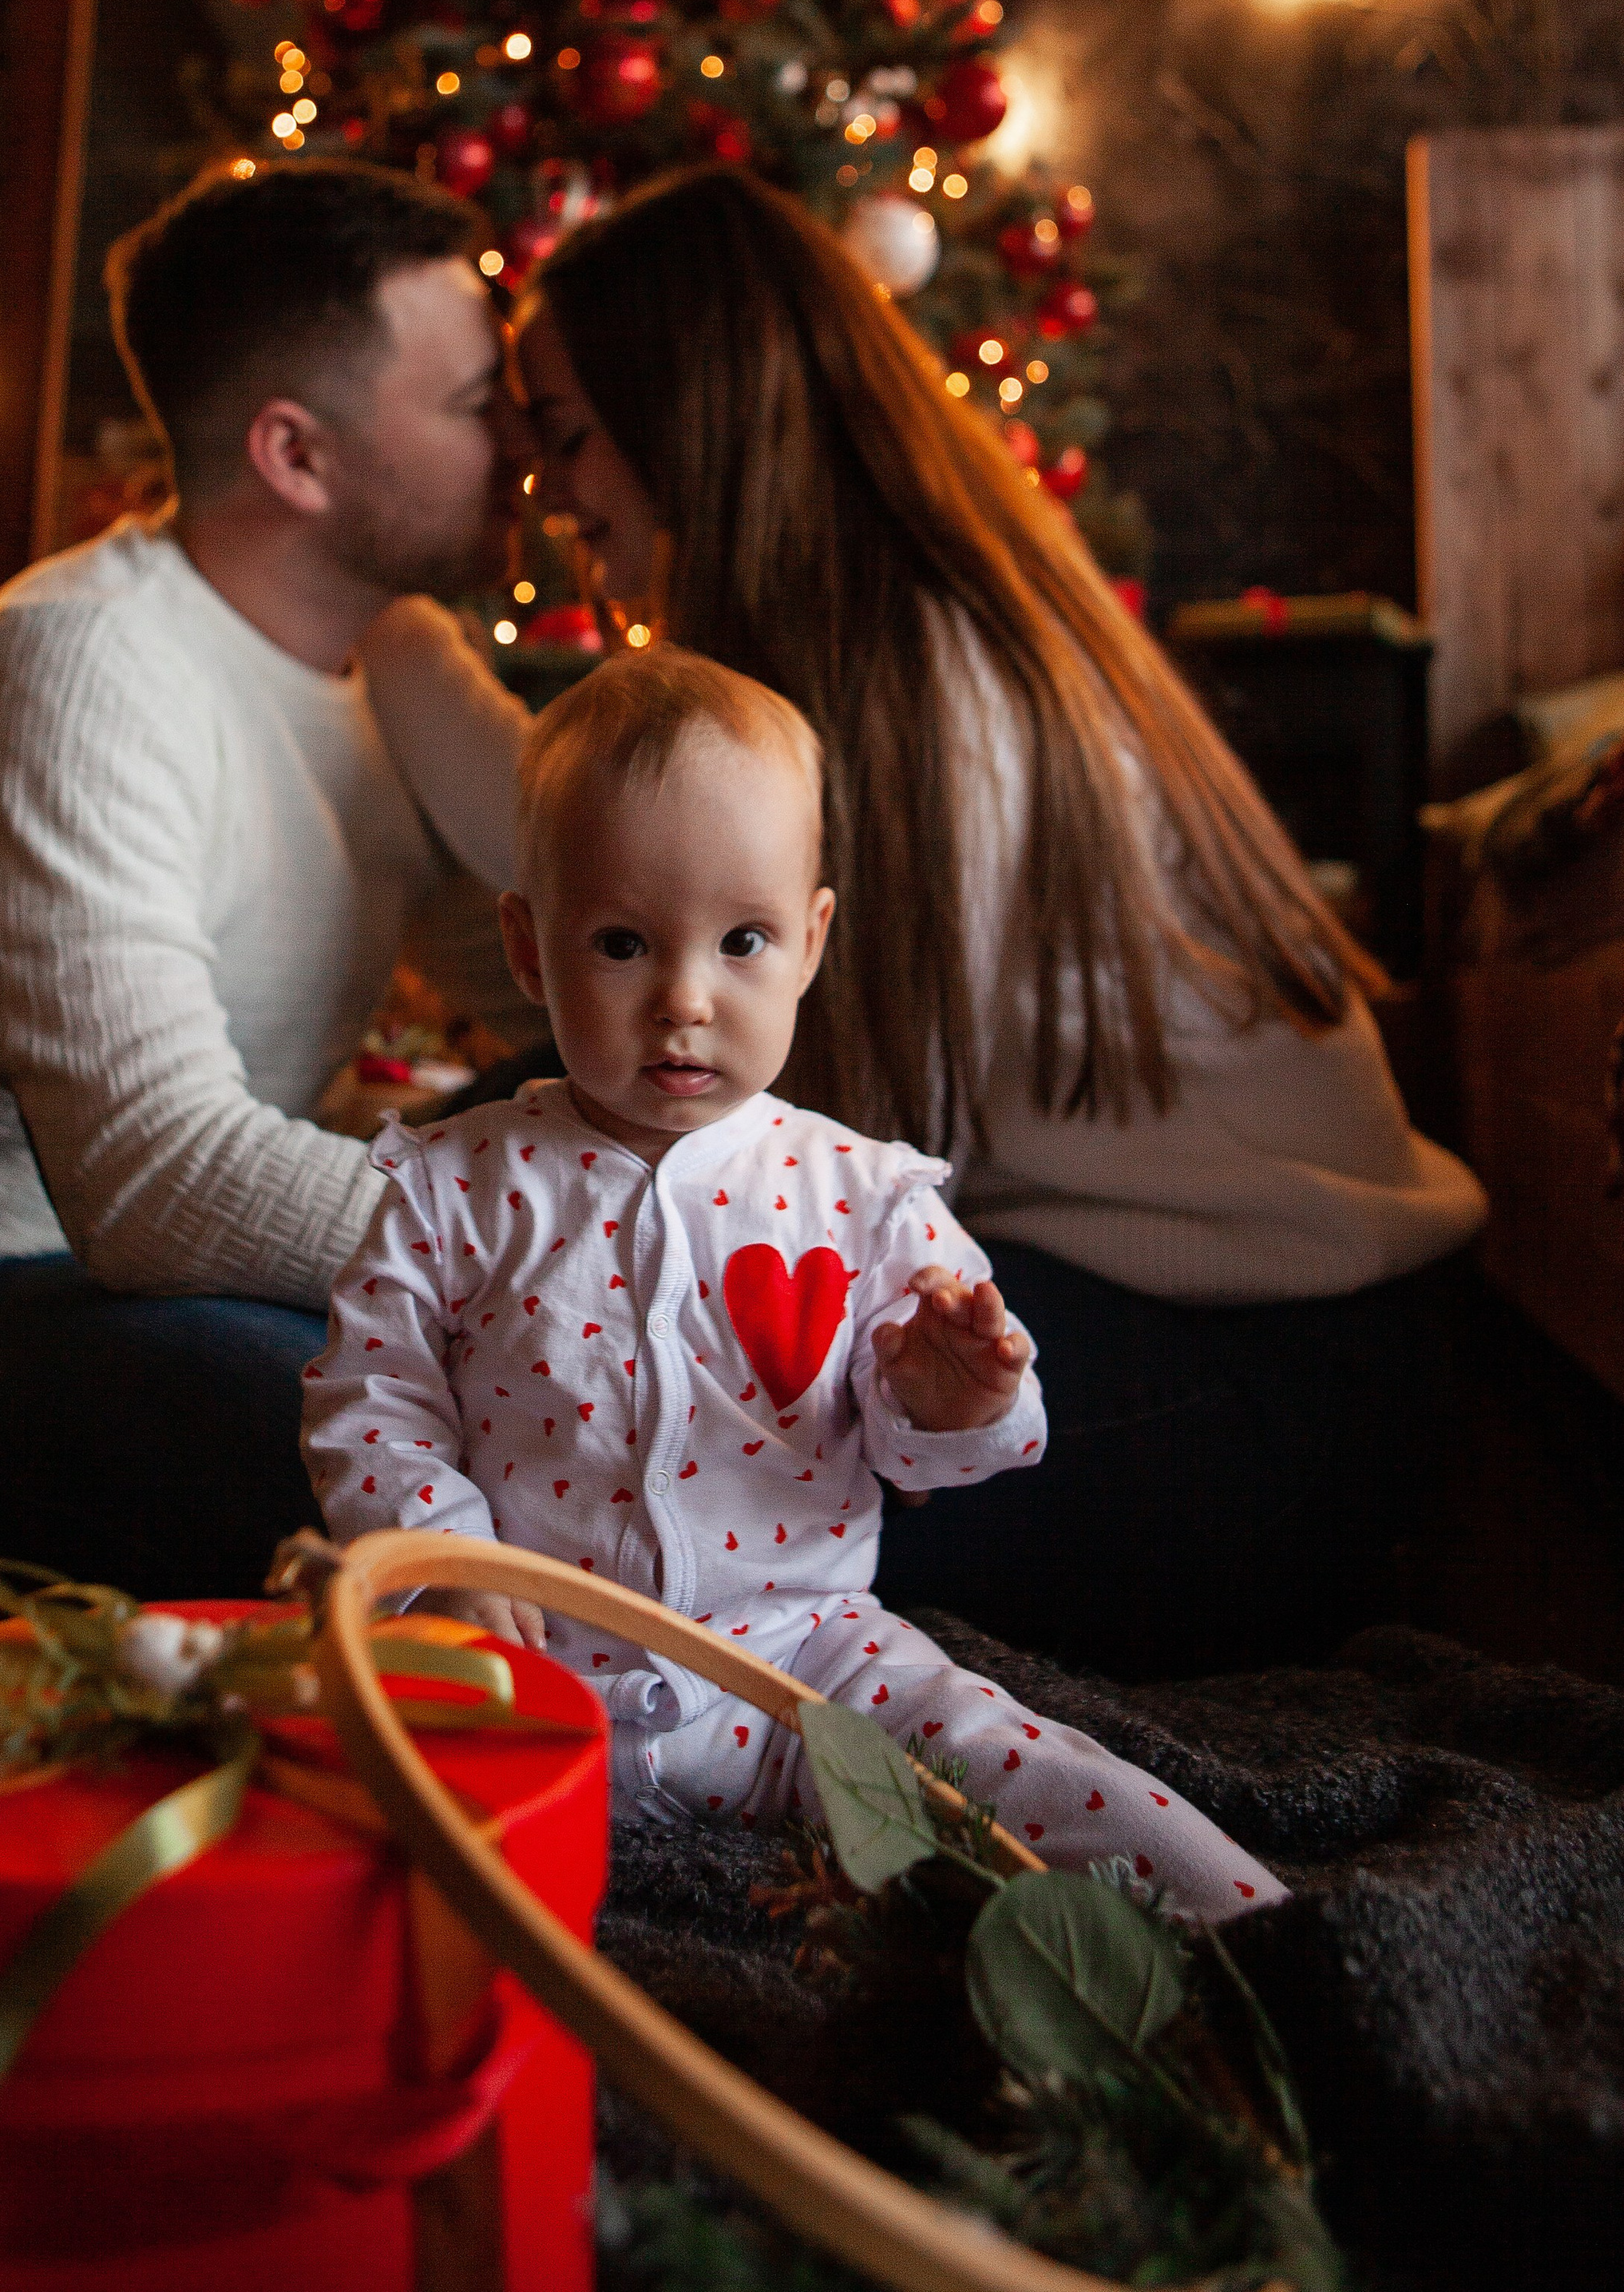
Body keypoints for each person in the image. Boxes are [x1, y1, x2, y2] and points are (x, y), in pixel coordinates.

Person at [508, 165, 1485, 1679]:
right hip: (1197, 1322)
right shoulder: (888, 633)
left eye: (567, 433)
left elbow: (810, 1163)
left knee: (625, 1495)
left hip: (1273, 1378)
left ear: (686, 411)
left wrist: (398, 653)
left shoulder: (915, 678)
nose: (548, 489)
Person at [303, 649, 1287, 1916]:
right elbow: (372, 1398)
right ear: (529, 949)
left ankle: (1259, 1932)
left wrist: (954, 1400)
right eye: (622, 944)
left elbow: (940, 1454)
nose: (686, 999)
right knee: (332, 1801)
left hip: (800, 1661)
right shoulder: (453, 1182)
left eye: (743, 941)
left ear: (811, 942)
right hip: (530, 1668)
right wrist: (444, 1556)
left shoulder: (864, 1196)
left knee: (999, 1758)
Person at [0, 158, 529, 1598]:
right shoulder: (84, 664)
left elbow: (561, 1005)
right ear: (296, 455)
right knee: (461, 1476)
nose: (519, 440)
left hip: (167, 1280)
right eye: (473, 404)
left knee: (561, 1371)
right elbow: (154, 1179)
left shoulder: (384, 678)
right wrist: (559, 1265)